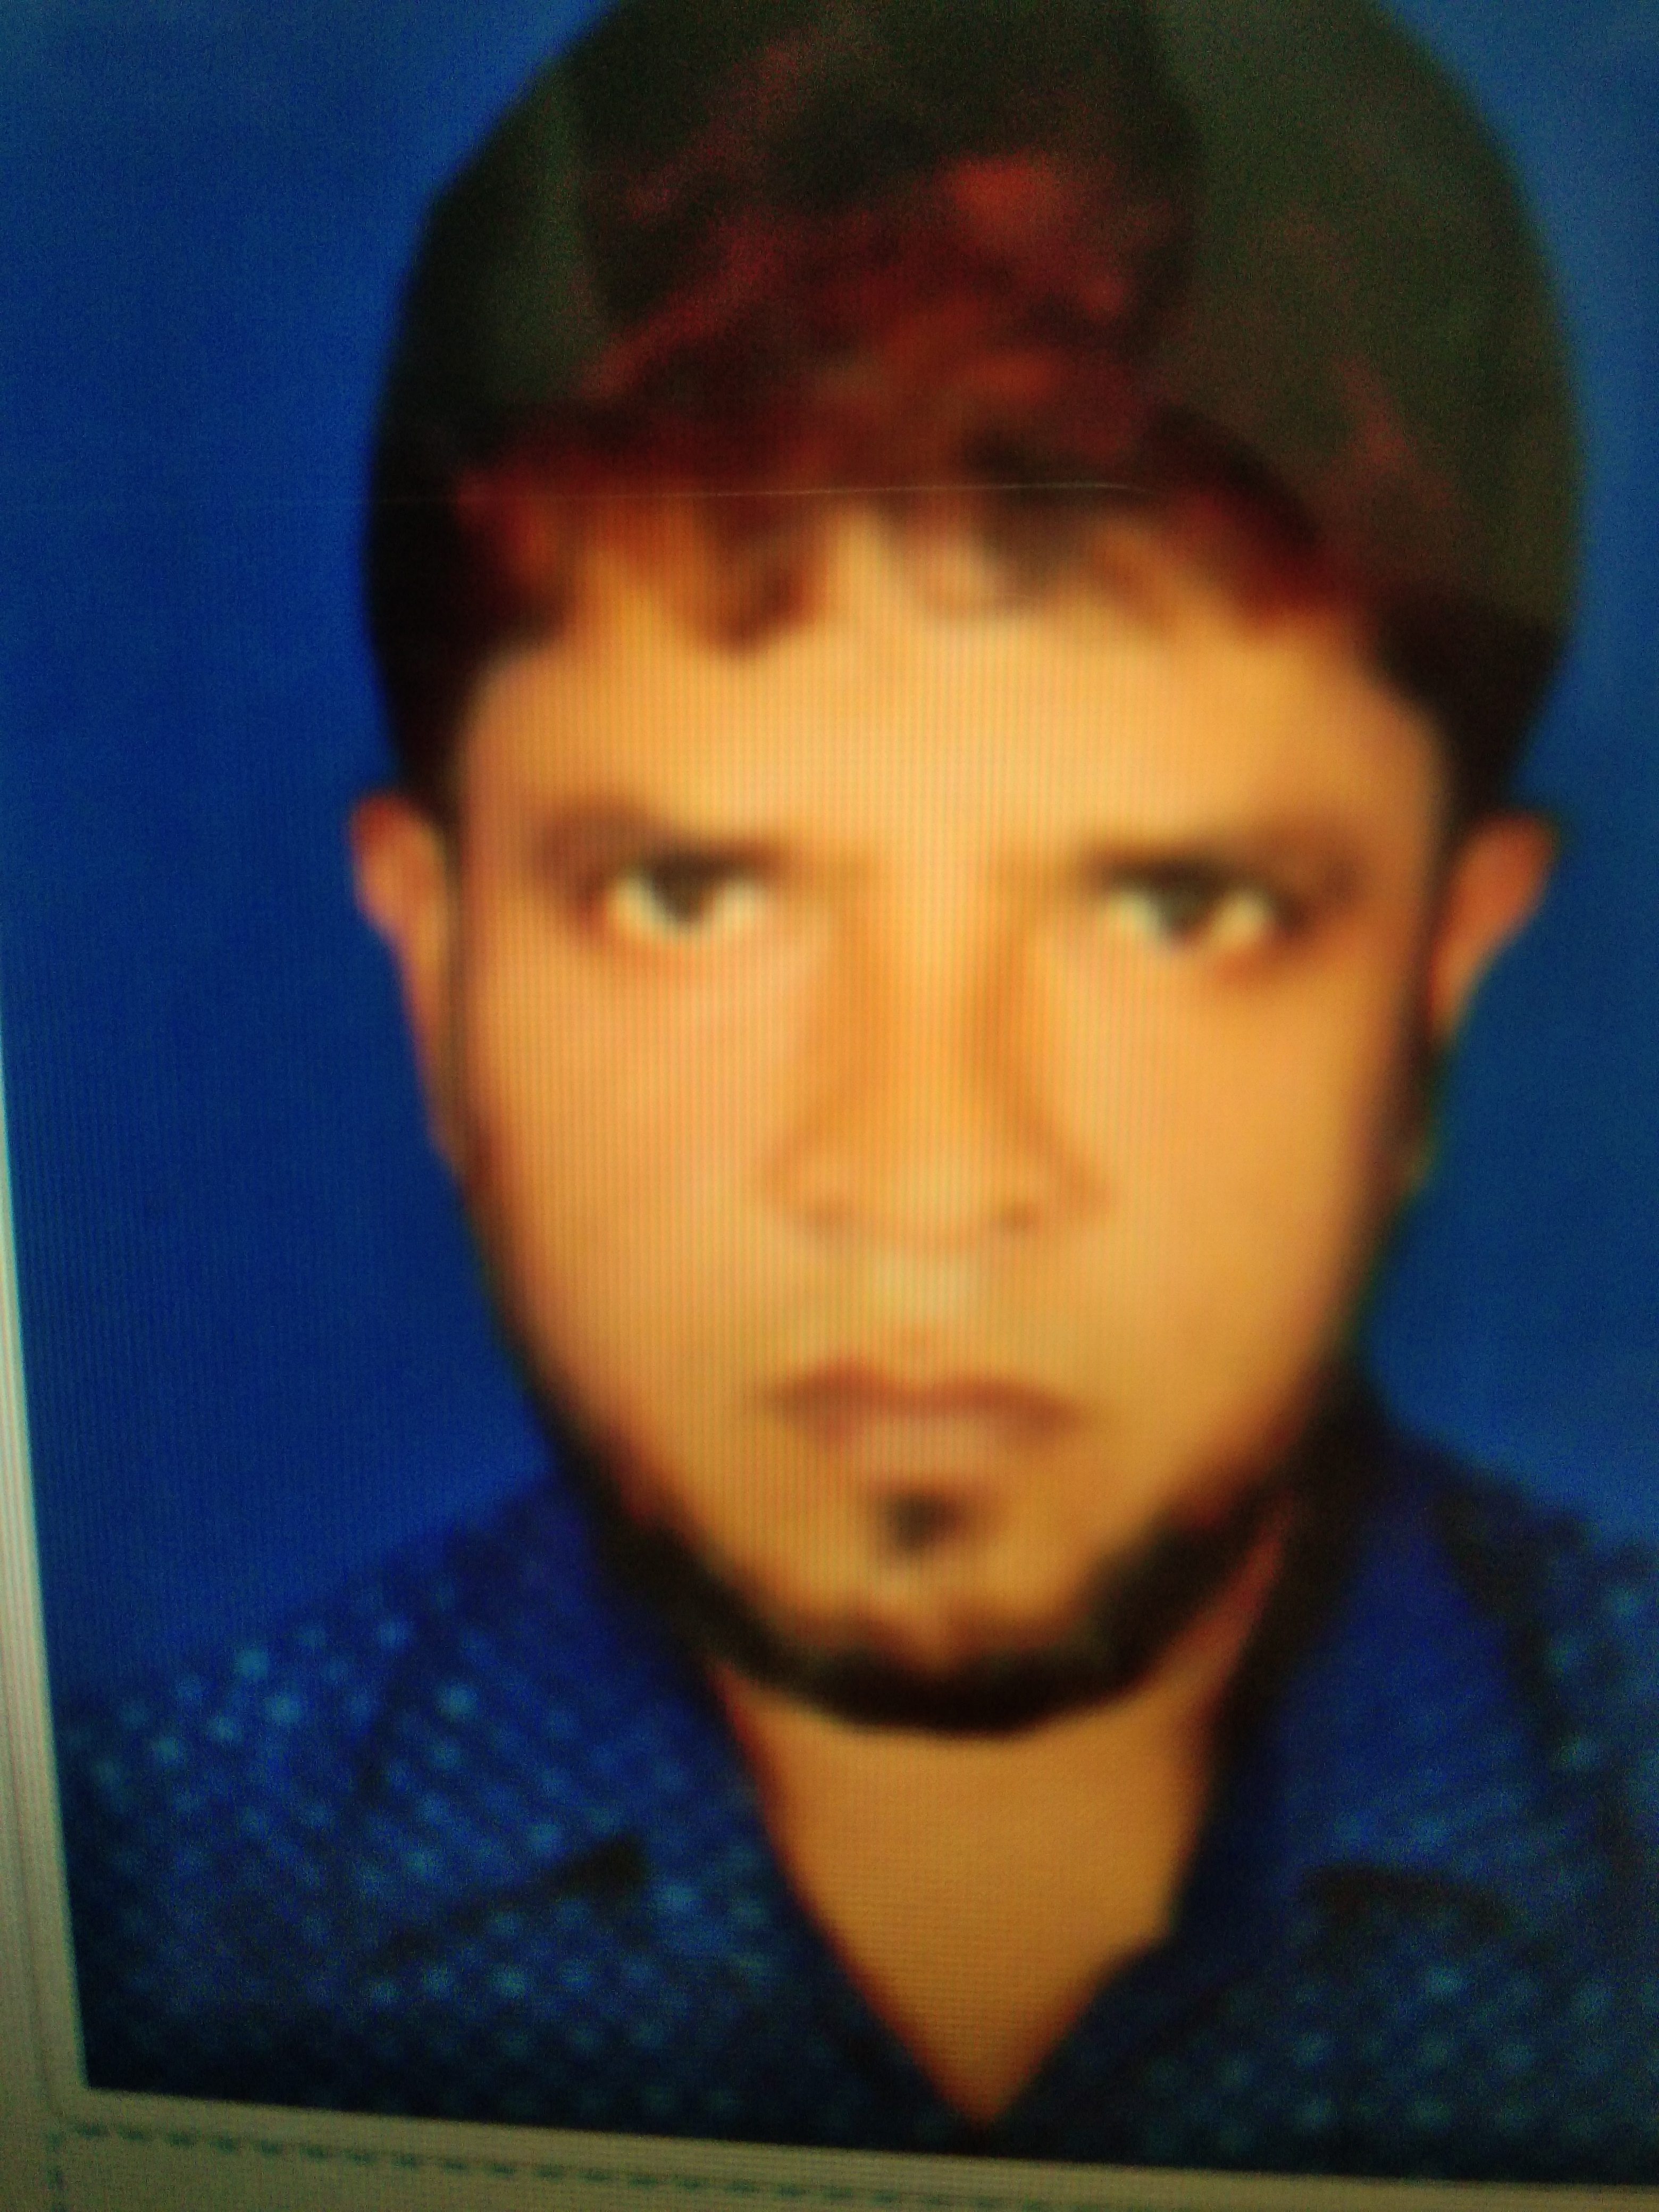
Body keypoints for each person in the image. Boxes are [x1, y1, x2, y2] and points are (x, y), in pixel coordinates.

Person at [56, 0, 1659, 2179]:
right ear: (437, 970)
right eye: (691, 894)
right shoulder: (118, 1909)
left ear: (1439, 979)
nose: (921, 1176)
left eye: (1178, 906)